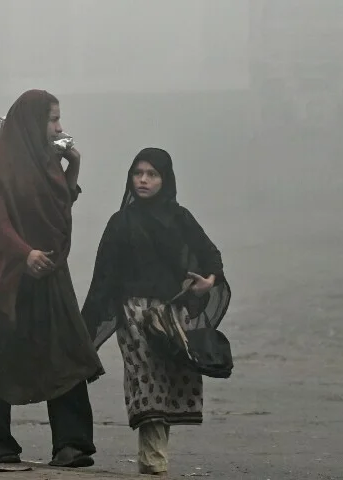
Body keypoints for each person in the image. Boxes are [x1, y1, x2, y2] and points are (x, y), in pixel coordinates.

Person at [0, 89, 104, 468]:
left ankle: (71, 444)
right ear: (32, 122)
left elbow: (60, 207)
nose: (60, 127)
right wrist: (24, 254)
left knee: (65, 351)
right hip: (12, 276)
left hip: (50, 273)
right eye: (52, 119)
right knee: (3, 357)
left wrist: (73, 165)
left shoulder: (49, 162)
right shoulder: (5, 163)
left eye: (59, 119)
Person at [81, 147, 231, 476]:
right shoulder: (121, 222)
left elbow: (210, 255)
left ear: (166, 179)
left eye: (152, 174)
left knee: (168, 379)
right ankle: (154, 462)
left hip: (171, 313)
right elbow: (103, 277)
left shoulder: (180, 218)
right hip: (132, 314)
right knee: (144, 377)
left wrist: (209, 281)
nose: (144, 180)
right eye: (138, 173)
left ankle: (153, 459)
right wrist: (86, 327)